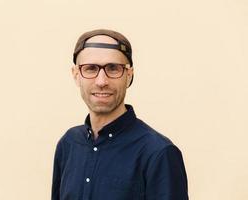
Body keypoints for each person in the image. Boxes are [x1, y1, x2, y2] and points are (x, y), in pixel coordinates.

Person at [51, 29, 189, 200]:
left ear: (129, 75)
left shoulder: (158, 153)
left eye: (113, 68)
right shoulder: (68, 144)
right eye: (90, 69)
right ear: (76, 75)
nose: (101, 81)